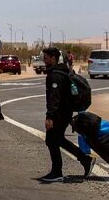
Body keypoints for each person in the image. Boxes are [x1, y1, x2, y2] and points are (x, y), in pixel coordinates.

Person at [40, 47, 95, 182]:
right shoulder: (62, 71)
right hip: (64, 112)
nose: (44, 60)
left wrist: (50, 116)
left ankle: (57, 172)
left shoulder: (56, 75)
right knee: (57, 140)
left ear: (53, 58)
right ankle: (85, 160)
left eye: (46, 58)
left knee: (52, 140)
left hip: (59, 114)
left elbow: (55, 98)